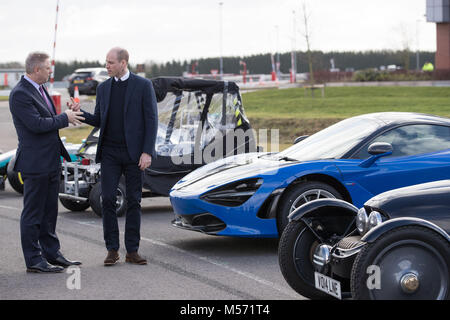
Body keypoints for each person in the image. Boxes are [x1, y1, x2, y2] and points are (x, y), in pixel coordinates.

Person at [70, 47, 158, 266]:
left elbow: (151, 120)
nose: (107, 66)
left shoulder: (143, 86)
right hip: (109, 152)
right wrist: (79, 113)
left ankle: (133, 251)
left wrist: (147, 152)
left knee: (134, 201)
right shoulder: (104, 88)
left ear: (123, 63)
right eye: (106, 62)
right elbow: (100, 119)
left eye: (110, 62)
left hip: (135, 154)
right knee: (107, 198)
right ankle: (112, 249)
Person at [9, 51, 84, 273]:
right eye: (48, 68)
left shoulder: (41, 90)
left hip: (51, 160)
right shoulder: (20, 94)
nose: (51, 71)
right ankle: (34, 259)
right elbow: (36, 125)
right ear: (36, 70)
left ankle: (52, 254)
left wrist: (68, 113)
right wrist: (65, 118)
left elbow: (48, 121)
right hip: (35, 162)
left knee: (50, 211)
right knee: (33, 214)